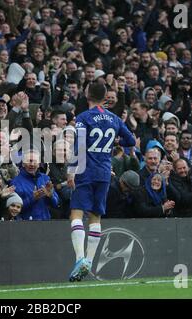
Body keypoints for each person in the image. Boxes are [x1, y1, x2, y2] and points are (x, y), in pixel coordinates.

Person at [67, 83, 135, 282]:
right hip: (105, 172)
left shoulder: (83, 118)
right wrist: (116, 142)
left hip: (86, 171)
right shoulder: (114, 118)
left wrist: (71, 171)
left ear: (87, 94)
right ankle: (89, 259)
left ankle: (80, 258)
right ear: (105, 96)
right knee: (95, 216)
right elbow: (130, 141)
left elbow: (79, 146)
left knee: (76, 213)